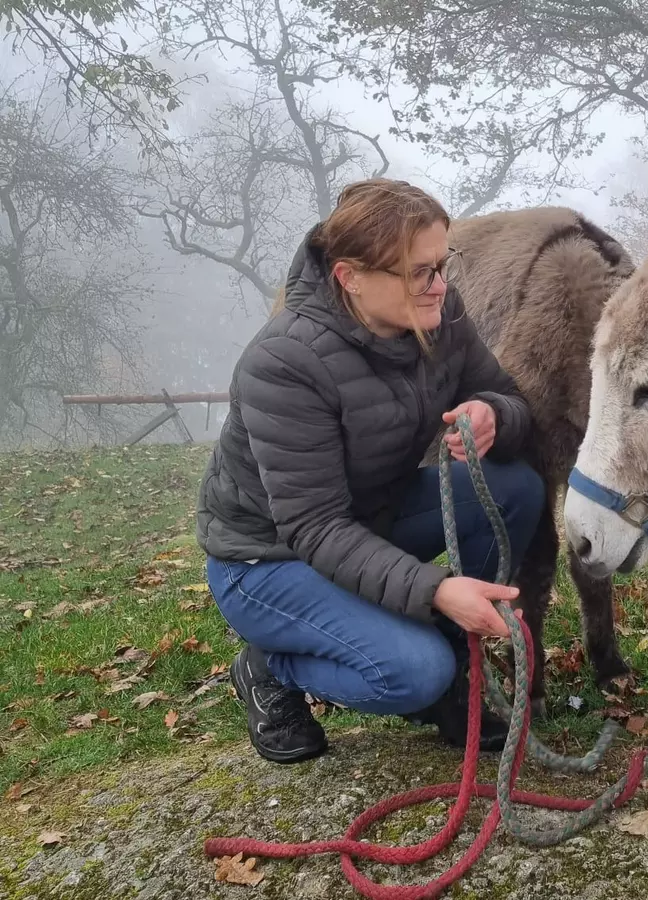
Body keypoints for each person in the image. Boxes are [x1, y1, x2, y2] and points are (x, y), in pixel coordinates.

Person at [196, 178, 544, 764]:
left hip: (370, 514)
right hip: (268, 557)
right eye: (419, 272)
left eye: (443, 263)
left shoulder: (439, 312)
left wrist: (493, 416)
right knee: (412, 671)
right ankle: (270, 666)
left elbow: (506, 397)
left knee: (517, 488)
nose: (440, 285)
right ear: (350, 276)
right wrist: (436, 590)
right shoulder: (284, 361)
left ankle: (456, 671)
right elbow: (313, 527)